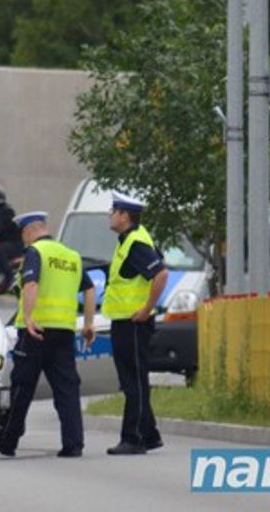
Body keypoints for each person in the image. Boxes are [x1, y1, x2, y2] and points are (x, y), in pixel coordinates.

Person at [0, 211, 96, 458]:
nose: (22, 239)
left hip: (36, 331)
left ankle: (7, 441)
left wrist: (29, 318)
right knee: (67, 388)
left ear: (30, 230)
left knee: (22, 386)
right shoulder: (71, 255)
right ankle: (73, 443)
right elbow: (90, 288)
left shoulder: (35, 252)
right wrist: (88, 324)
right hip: (63, 331)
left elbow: (31, 284)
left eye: (22, 233)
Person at [104, 192, 168, 455]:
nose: (110, 215)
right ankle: (150, 434)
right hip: (125, 320)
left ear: (124, 216)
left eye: (113, 211)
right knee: (133, 378)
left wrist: (146, 309)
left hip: (134, 322)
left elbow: (160, 274)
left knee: (134, 381)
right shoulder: (127, 241)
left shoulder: (136, 243)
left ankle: (134, 437)